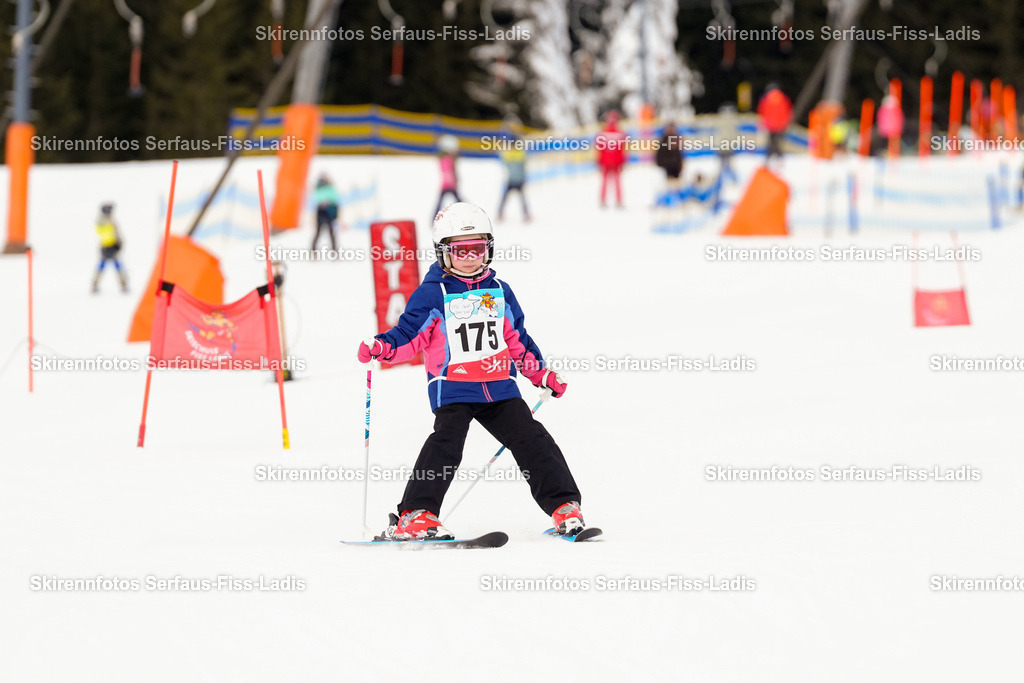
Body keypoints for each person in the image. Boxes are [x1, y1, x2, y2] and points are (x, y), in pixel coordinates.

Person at [356, 202, 585, 541]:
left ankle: (564, 507)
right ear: (443, 251)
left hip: (499, 387)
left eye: (477, 249)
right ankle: (415, 514)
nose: (469, 258)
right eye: (460, 250)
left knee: (532, 439)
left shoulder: (500, 291)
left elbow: (517, 340)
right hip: (454, 387)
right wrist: (382, 347)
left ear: (488, 249)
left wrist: (541, 375)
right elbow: (410, 335)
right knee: (446, 444)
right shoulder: (433, 293)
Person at [92, 203, 127, 293]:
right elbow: (104, 231)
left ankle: (123, 284)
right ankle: (95, 284)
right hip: (106, 246)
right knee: (103, 266)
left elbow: (116, 233)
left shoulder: (110, 220)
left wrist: (119, 242)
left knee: (116, 266)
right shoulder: (102, 221)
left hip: (113, 246)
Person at [596, 110, 627, 208]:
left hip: (605, 161)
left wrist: (599, 161)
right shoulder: (621, 133)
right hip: (617, 161)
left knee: (605, 182)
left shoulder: (602, 133)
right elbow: (623, 150)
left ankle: (603, 200)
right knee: (617, 182)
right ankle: (619, 201)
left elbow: (599, 149)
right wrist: (623, 161)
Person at [496, 134, 531, 222]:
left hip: (512, 180)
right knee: (522, 199)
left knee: (505, 198)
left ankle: (500, 213)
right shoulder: (521, 154)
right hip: (518, 180)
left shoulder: (509, 154)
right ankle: (526, 215)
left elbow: (503, 159)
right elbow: (523, 167)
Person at [757, 84, 793, 163]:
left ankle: (769, 158)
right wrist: (786, 123)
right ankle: (779, 158)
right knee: (778, 143)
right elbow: (788, 112)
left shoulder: (766, 99)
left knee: (770, 142)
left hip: (770, 125)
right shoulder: (784, 99)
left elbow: (762, 112)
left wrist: (763, 123)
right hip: (781, 125)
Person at [434, 134, 463, 217]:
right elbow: (448, 172)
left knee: (442, 202)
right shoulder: (447, 159)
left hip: (447, 185)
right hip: (448, 185)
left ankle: (434, 217)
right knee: (459, 202)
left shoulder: (446, 159)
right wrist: (452, 183)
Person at [312, 174, 341, 254]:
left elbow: (334, 198)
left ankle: (334, 250)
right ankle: (314, 250)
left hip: (328, 211)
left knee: (330, 232)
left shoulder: (328, 187)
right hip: (323, 211)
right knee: (320, 232)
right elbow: (318, 198)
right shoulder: (320, 188)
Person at [654, 122, 684, 188]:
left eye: (672, 129)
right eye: (669, 129)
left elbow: (680, 157)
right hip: (666, 173)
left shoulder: (677, 141)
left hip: (676, 173)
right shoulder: (662, 142)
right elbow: (659, 159)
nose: (671, 131)